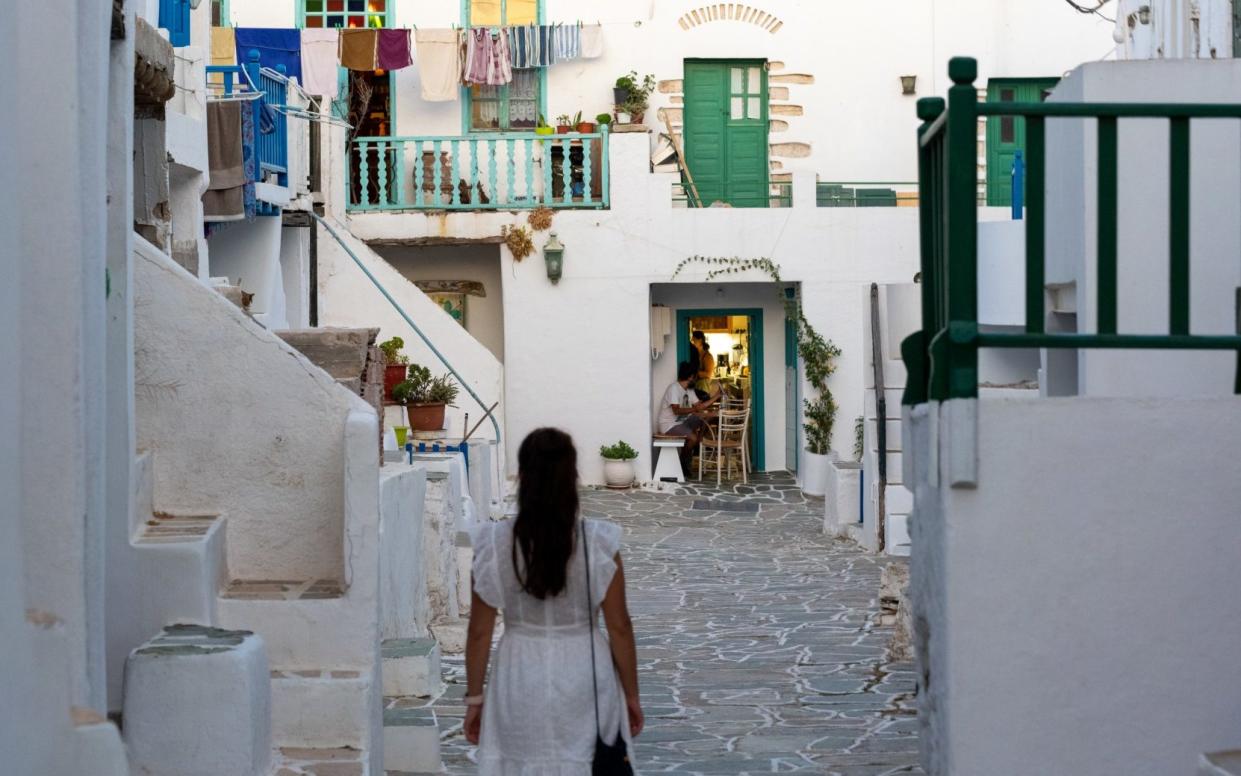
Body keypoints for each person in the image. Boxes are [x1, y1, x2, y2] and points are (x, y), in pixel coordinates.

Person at [464, 428, 644, 774]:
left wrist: (475, 699)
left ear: (523, 476)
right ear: (572, 476)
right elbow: (619, 627)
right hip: (584, 668)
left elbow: (478, 632)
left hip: (519, 671)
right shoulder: (599, 544)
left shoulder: (494, 545)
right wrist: (632, 696)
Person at [658, 361, 717, 472]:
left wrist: (717, 396)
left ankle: (698, 440)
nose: (696, 379)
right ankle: (682, 462)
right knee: (692, 438)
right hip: (669, 425)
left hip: (681, 422)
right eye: (695, 377)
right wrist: (695, 409)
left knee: (706, 417)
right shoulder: (674, 388)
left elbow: (699, 406)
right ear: (690, 376)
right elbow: (676, 411)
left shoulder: (689, 390)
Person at [691, 330, 717, 399]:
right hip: (696, 389)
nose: (692, 342)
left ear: (700, 340)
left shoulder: (707, 356)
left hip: (703, 391)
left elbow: (708, 374)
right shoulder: (695, 355)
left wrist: (695, 373)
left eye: (694, 340)